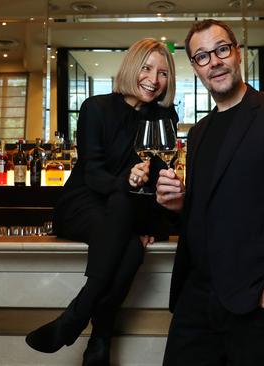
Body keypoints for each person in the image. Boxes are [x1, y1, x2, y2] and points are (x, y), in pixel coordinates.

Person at [153, 19, 264, 366]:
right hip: (197, 297)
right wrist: (178, 204)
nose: (214, 62)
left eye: (221, 49)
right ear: (195, 69)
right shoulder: (199, 132)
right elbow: (211, 207)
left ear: (237, 53)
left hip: (255, 300)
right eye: (202, 56)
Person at [25, 38, 178, 366]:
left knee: (133, 242)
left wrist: (145, 205)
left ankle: (79, 323)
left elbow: (159, 178)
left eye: (163, 73)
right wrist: (129, 182)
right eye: (147, 68)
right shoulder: (96, 108)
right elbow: (94, 174)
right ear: (131, 67)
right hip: (83, 202)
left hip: (126, 209)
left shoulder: (164, 116)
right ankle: (96, 332)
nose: (154, 79)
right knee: (127, 223)